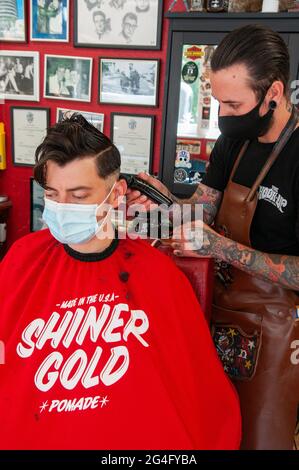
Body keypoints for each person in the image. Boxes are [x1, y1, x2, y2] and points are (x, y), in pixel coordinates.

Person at [0, 114, 240, 450]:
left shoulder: (157, 272)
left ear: (116, 194)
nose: (62, 207)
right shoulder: (21, 261)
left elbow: (197, 390)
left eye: (79, 195)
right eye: (53, 194)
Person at [126, 24, 299, 450]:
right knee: (208, 431)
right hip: (218, 311)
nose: (222, 114)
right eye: (219, 101)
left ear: (273, 92)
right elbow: (200, 212)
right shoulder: (233, 141)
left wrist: (220, 247)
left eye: (233, 103)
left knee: (261, 439)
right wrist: (157, 208)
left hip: (279, 328)